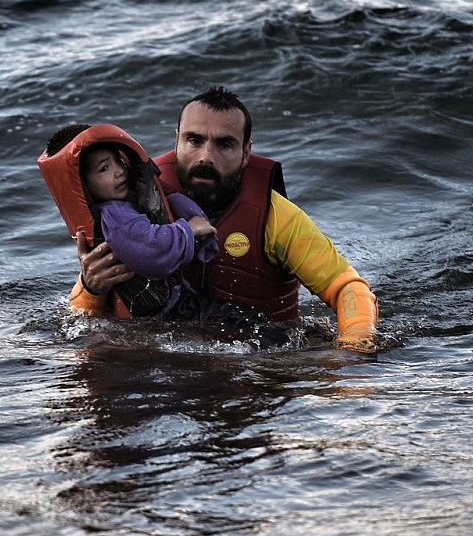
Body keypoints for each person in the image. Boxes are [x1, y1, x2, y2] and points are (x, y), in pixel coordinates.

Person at [69, 87, 379, 353]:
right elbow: (81, 316)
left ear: (246, 153)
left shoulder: (276, 217)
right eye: (194, 140)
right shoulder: (134, 202)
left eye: (224, 144)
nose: (205, 156)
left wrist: (351, 353)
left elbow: (349, 289)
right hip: (158, 364)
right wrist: (90, 288)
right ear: (177, 139)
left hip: (258, 366)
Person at [39, 123, 219, 318]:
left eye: (118, 160)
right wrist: (188, 229)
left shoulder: (129, 199)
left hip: (171, 306)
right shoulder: (115, 216)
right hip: (170, 313)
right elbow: (151, 250)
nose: (119, 171)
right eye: (104, 168)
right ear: (83, 186)